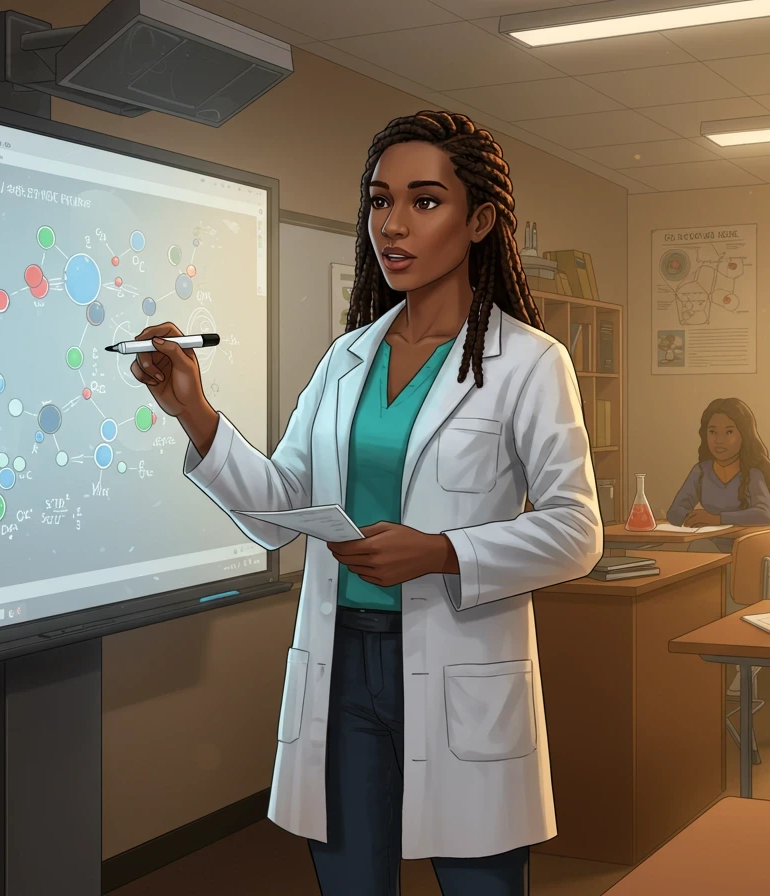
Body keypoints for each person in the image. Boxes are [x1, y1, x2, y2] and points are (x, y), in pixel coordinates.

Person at [130, 111, 601, 896]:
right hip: (342, 661)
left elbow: (576, 529)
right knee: (351, 877)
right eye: (380, 201)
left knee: (479, 878)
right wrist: (196, 412)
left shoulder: (528, 362)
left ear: (479, 219)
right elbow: (282, 503)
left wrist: (444, 551)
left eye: (424, 202)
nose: (393, 225)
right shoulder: (346, 358)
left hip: (459, 660)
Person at [665, 397, 770, 552]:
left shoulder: (752, 474)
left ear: (744, 435)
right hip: (707, 544)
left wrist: (717, 519)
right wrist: (694, 518)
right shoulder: (701, 471)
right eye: (712, 432)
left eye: (728, 432)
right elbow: (674, 512)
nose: (719, 440)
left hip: (743, 549)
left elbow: (765, 514)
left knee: (700, 550)